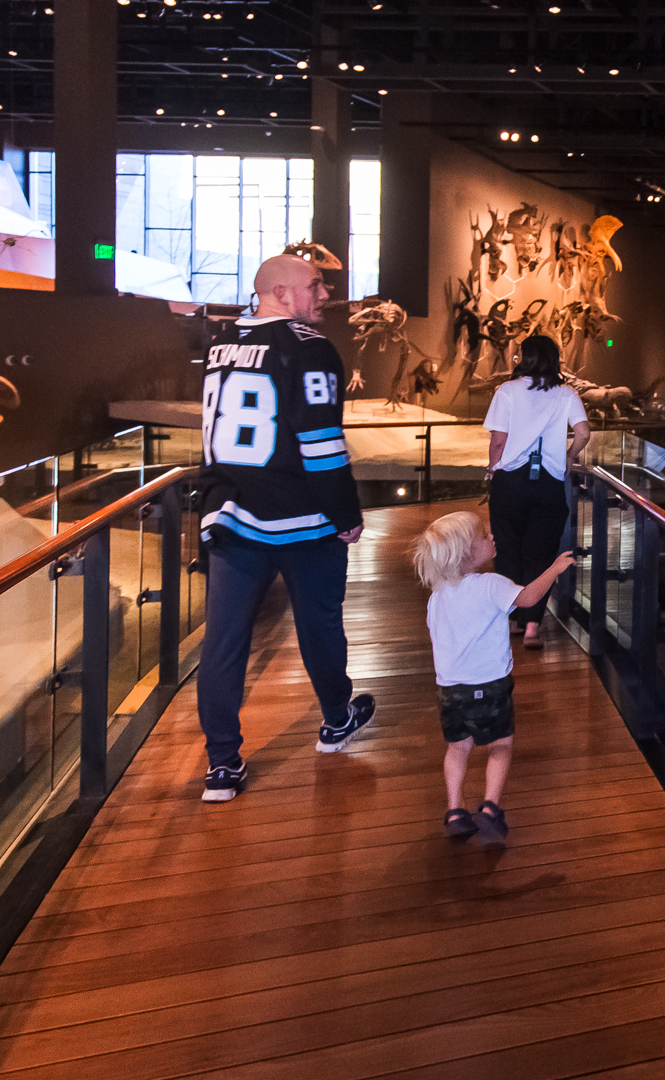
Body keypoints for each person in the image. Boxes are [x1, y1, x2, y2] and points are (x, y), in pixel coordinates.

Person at [191, 253, 375, 803]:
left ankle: (222, 765)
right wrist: (346, 514)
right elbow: (321, 445)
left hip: (233, 514)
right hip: (304, 519)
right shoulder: (309, 348)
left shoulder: (221, 344)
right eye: (315, 285)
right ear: (282, 291)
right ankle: (336, 719)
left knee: (223, 643)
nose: (325, 295)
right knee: (320, 625)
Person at [413, 508, 571, 845]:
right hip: (489, 685)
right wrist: (554, 569)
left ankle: (455, 811)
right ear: (468, 552)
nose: (493, 537)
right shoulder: (490, 585)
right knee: (500, 745)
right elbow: (528, 597)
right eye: (485, 535)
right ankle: (489, 809)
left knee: (457, 747)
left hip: (449, 689)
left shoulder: (437, 597)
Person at [483, 332, 588, 649]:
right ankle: (532, 626)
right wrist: (569, 457)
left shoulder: (507, 391)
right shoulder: (566, 394)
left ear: (524, 359)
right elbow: (583, 432)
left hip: (510, 482)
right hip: (549, 484)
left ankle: (511, 617)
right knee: (541, 553)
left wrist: (492, 469)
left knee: (507, 548)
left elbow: (498, 440)